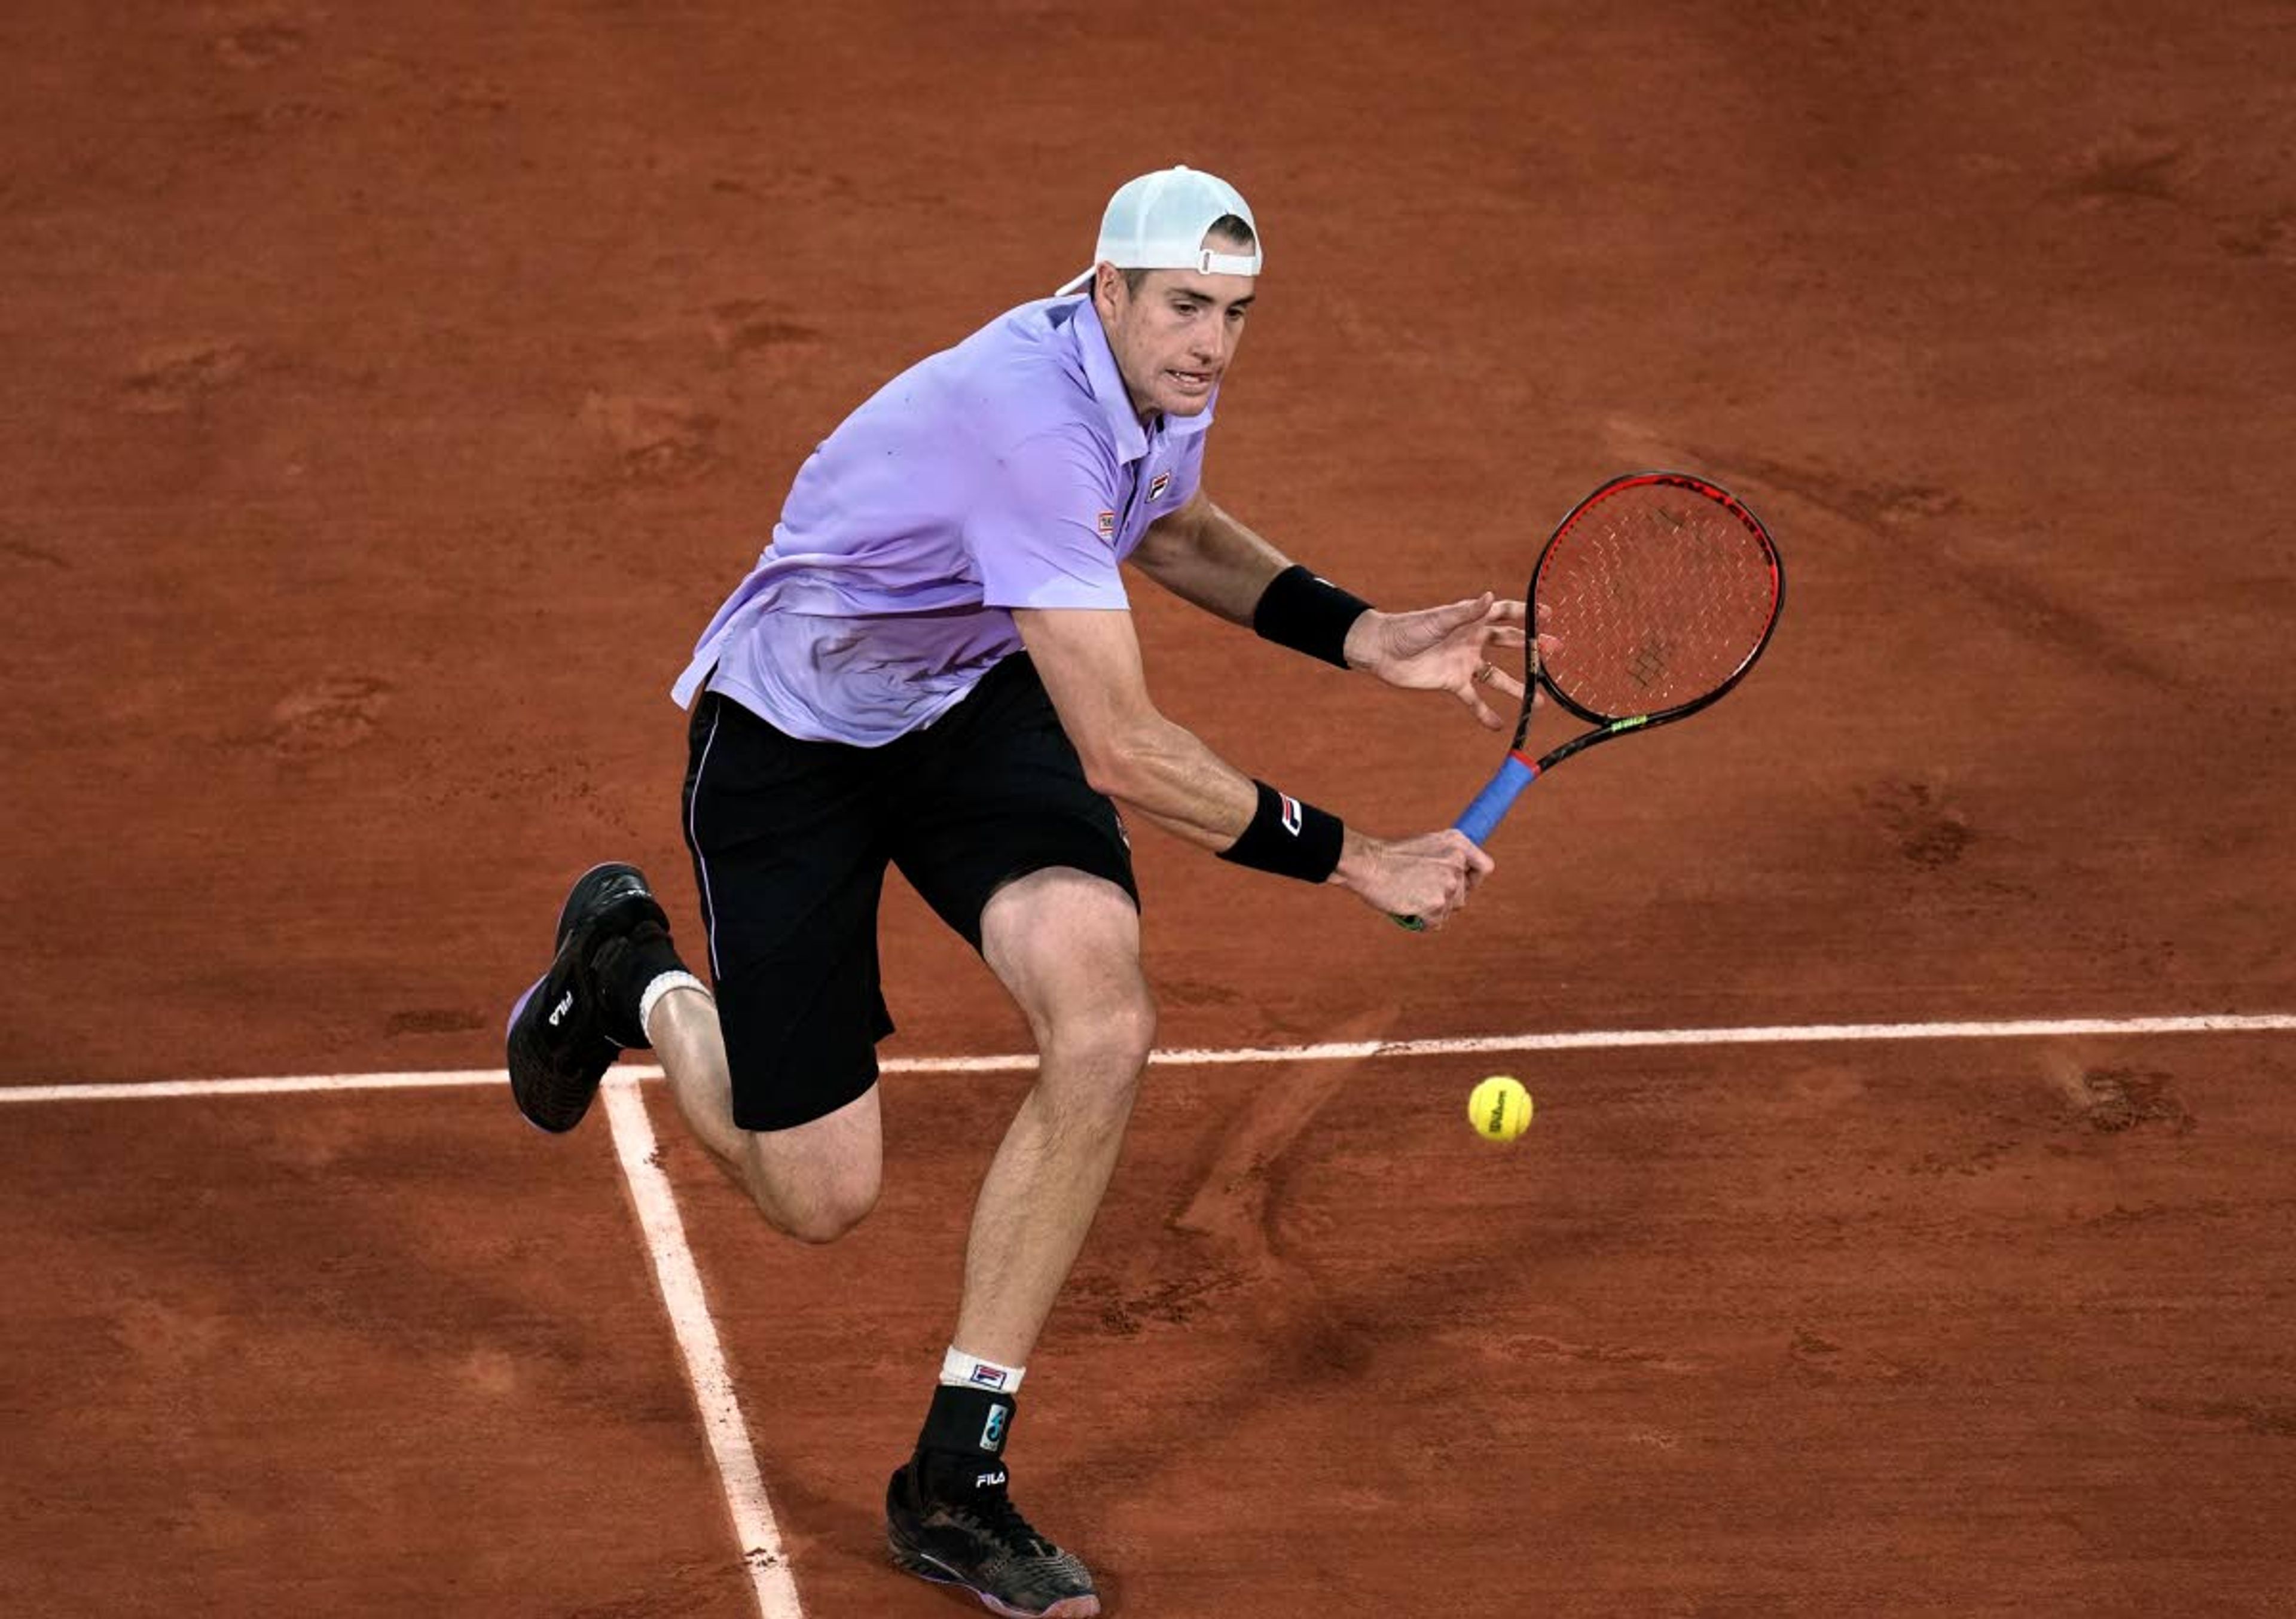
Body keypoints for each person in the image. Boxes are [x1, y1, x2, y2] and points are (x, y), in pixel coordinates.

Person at [505, 164, 1535, 1619]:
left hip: (967, 708)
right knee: (819, 1191)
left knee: (1102, 1015)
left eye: (1237, 315)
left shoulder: (1148, 382)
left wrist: (1360, 634)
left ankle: (954, 1481)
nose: (1213, 345)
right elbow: (1123, 748)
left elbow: (1167, 525)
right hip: (793, 745)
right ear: (1102, 288)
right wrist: (1361, 859)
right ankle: (632, 971)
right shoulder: (1028, 433)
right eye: (1186, 308)